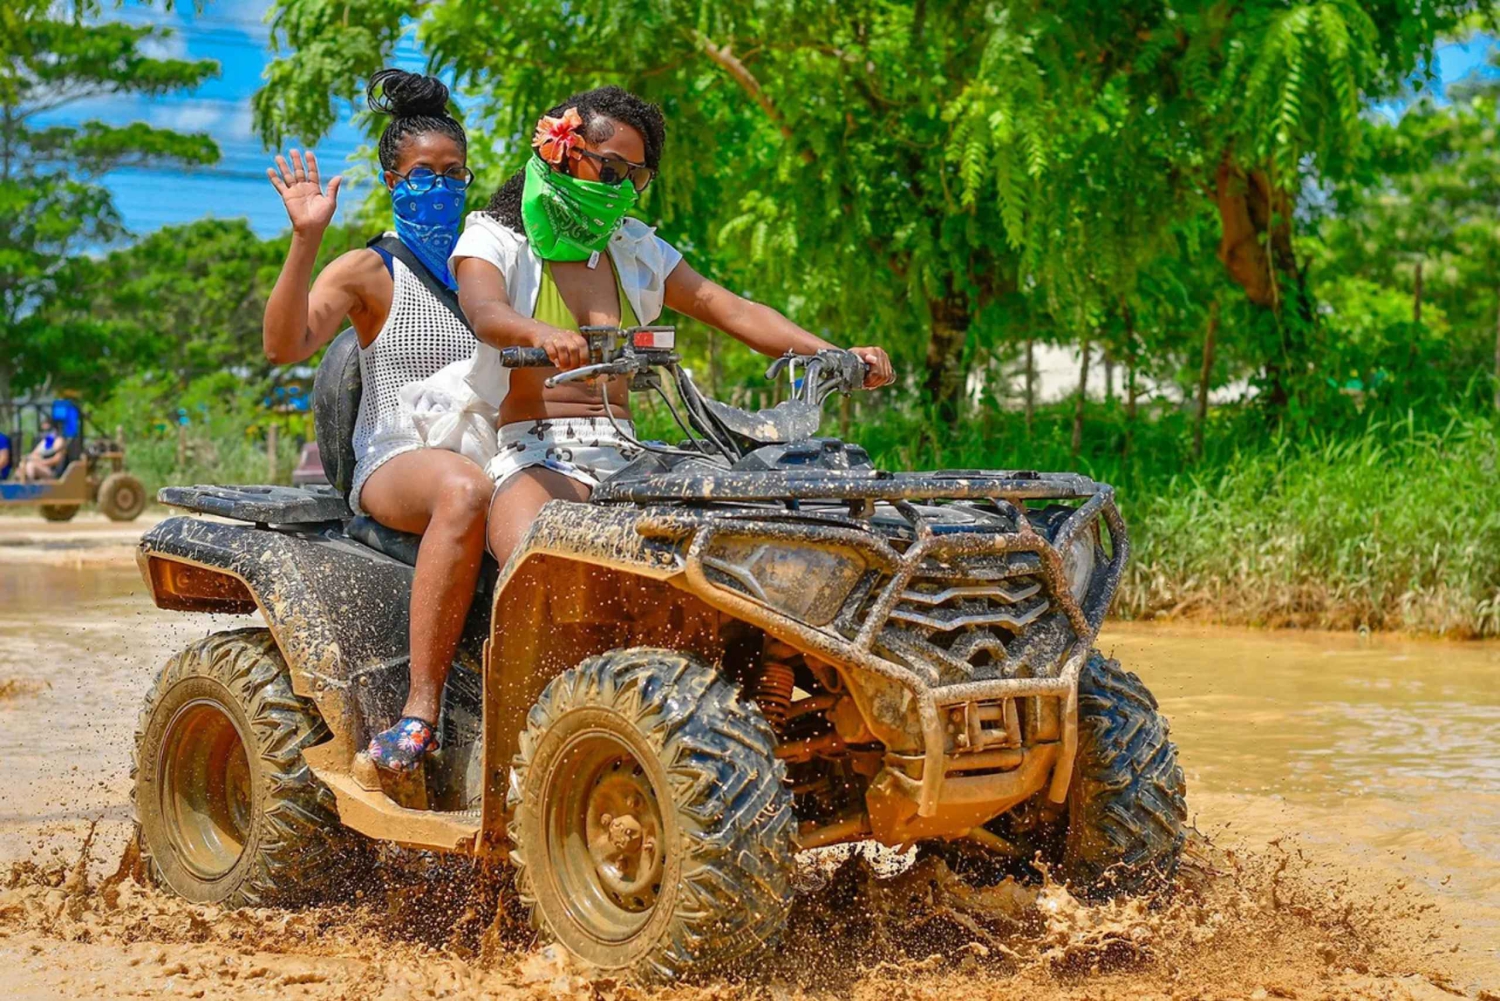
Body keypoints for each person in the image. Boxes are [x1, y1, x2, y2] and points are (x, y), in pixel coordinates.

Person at [451, 87, 895, 585]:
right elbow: (484, 310)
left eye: (636, 177)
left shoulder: (634, 248)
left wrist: (836, 354)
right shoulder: (494, 237)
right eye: (612, 170)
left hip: (630, 461)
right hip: (537, 457)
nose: (622, 189)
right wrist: (541, 333)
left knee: (747, 549)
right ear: (563, 153)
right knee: (536, 568)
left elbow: (732, 309)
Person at [262, 69, 493, 775]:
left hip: (488, 445)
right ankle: (418, 711)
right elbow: (286, 344)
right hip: (400, 455)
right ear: (392, 180)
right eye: (423, 173)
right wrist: (306, 240)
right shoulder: (369, 269)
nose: (440, 185)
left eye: (453, 173)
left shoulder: (484, 264)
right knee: (461, 490)